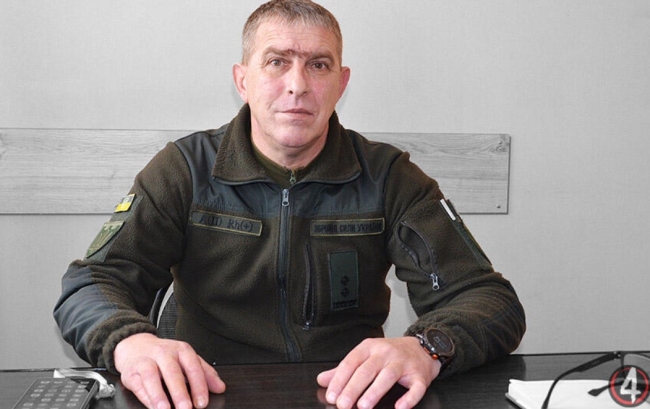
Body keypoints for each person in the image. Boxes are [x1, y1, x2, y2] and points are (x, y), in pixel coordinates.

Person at [54, 1, 526, 408]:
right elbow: (92, 283)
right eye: (277, 61)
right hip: (208, 391)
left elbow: (490, 300)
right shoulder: (185, 169)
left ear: (341, 83)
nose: (297, 84)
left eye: (318, 65)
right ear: (243, 79)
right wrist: (130, 343)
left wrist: (427, 347)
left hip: (346, 394)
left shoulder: (389, 176)